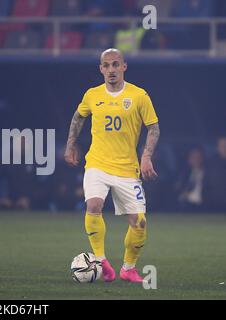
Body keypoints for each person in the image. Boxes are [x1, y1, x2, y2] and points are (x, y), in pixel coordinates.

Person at [64, 48, 160, 283]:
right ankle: (100, 261)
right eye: (106, 66)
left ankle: (128, 269)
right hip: (97, 163)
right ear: (101, 69)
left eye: (116, 64)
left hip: (127, 169)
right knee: (94, 204)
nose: (111, 70)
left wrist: (146, 155)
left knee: (139, 223)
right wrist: (70, 145)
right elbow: (78, 117)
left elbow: (153, 127)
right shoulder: (92, 95)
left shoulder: (139, 96)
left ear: (124, 67)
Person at [175, 147, 205, 212]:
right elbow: (178, 188)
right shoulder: (183, 174)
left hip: (204, 206)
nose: (196, 159)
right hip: (186, 205)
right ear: (189, 159)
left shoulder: (208, 173)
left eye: (198, 157)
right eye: (193, 157)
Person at [203, 137, 226, 212]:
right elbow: (206, 183)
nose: (224, 148)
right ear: (217, 147)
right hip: (215, 203)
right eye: (221, 145)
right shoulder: (210, 163)